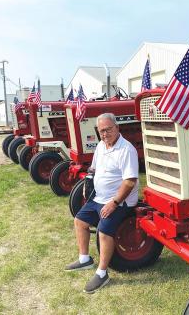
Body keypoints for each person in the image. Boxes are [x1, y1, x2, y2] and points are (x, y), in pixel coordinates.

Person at [65, 113, 139, 294]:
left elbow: (129, 181)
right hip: (99, 198)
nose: (105, 134)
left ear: (117, 128)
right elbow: (94, 168)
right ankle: (84, 259)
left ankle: (102, 272)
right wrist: (88, 181)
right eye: (101, 131)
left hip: (120, 201)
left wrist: (114, 203)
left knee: (104, 231)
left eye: (108, 129)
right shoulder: (101, 146)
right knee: (79, 221)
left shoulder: (126, 150)